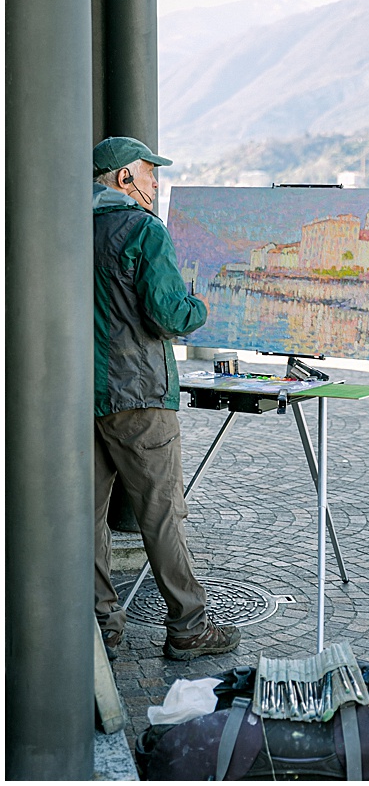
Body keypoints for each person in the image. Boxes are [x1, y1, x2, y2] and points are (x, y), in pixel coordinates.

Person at [92, 136, 241, 661]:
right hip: (140, 395)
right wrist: (198, 304)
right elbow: (169, 315)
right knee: (161, 514)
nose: (157, 183)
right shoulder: (144, 229)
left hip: (83, 397)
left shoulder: (71, 228)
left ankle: (101, 624)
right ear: (124, 178)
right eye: (149, 173)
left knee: (87, 518)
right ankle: (189, 626)